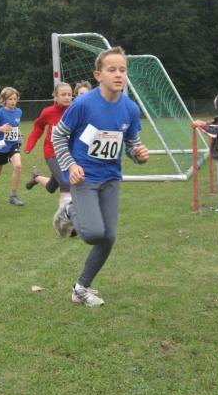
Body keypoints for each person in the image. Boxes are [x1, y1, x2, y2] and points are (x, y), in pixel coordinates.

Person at [51, 47, 149, 306]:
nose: (118, 75)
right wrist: (70, 164)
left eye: (122, 70)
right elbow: (58, 135)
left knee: (108, 237)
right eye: (111, 69)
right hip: (83, 177)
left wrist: (138, 154)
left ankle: (81, 288)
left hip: (111, 178)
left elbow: (131, 143)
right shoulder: (83, 105)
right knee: (93, 233)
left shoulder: (130, 109)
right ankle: (69, 211)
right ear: (98, 75)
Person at [24, 82, 73, 208]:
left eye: (69, 94)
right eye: (63, 94)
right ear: (55, 97)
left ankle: (36, 177)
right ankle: (65, 214)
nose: (67, 97)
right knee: (65, 183)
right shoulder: (48, 112)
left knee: (51, 187)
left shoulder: (75, 110)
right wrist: (30, 145)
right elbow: (38, 127)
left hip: (69, 153)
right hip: (52, 152)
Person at [0, 87, 24, 206]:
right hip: (1, 147)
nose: (13, 101)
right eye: (10, 99)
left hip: (14, 144)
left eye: (15, 99)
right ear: (4, 100)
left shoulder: (19, 111)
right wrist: (1, 128)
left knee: (18, 166)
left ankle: (13, 196)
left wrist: (19, 134)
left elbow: (15, 126)